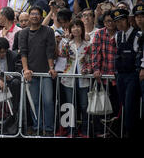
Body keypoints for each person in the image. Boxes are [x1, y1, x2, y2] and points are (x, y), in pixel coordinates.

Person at [19, 6, 57, 135]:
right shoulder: (23, 33)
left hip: (45, 73)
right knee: (34, 102)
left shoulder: (48, 31)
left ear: (41, 16)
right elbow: (23, 53)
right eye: (32, 14)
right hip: (31, 73)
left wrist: (51, 68)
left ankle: (49, 129)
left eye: (37, 14)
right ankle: (37, 128)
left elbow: (50, 51)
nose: (34, 16)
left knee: (48, 101)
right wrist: (25, 70)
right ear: (29, 16)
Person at [58, 19, 92, 137]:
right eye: (73, 27)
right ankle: (70, 131)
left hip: (84, 79)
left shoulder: (88, 45)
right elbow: (62, 60)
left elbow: (90, 61)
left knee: (84, 106)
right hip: (68, 79)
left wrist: (87, 69)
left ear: (82, 29)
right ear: (70, 29)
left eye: (78, 26)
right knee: (69, 105)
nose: (76, 29)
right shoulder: (67, 44)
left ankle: (85, 130)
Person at [111, 8, 142, 138]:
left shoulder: (138, 35)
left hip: (132, 76)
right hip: (120, 76)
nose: (120, 24)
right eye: (117, 21)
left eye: (122, 20)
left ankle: (131, 132)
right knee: (123, 105)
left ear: (128, 20)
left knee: (130, 106)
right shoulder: (117, 35)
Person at [91, 9, 120, 137]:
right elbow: (95, 54)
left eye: (112, 20)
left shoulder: (121, 34)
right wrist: (96, 69)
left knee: (115, 106)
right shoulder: (99, 34)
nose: (110, 23)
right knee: (100, 107)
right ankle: (98, 132)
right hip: (102, 77)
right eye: (107, 21)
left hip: (117, 77)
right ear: (104, 22)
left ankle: (114, 132)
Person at [0, 37, 22, 114]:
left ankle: (15, 111)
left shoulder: (13, 55)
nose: (2, 54)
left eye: (4, 52)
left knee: (16, 82)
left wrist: (10, 77)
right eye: (0, 52)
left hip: (10, 81)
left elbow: (18, 71)